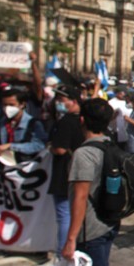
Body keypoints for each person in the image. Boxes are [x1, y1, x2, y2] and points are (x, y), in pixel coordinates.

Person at [61, 98, 130, 266]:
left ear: (82, 121)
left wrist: (70, 238)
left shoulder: (84, 153)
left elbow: (79, 196)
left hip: (91, 227)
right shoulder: (108, 145)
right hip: (108, 220)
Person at [47, 86, 84, 256]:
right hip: (80, 172)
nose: (58, 104)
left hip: (64, 173)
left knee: (64, 216)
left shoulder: (66, 122)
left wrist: (51, 148)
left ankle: (62, 253)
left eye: (62, 101)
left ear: (74, 101)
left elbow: (60, 149)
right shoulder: (84, 120)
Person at [0, 87, 47, 163]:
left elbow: (39, 145)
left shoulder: (33, 123)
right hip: (5, 162)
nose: (7, 108)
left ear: (22, 105)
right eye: (5, 105)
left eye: (11, 105)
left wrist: (11, 146)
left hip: (26, 165)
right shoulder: (3, 122)